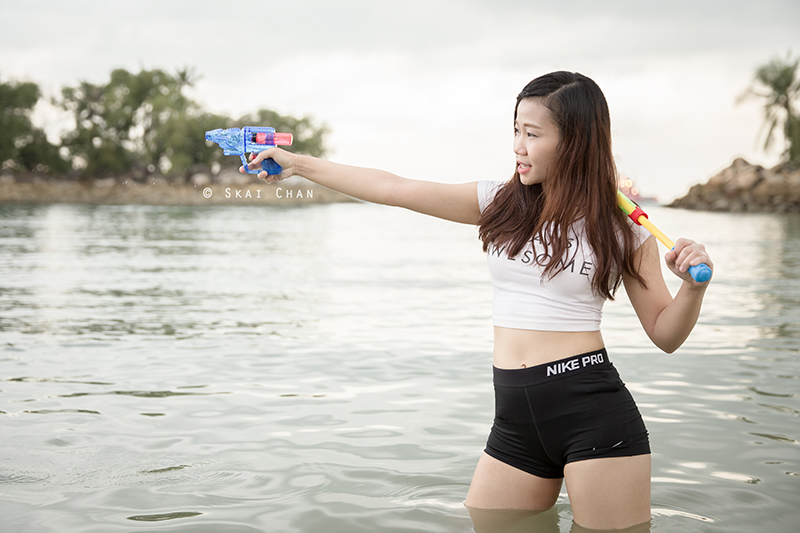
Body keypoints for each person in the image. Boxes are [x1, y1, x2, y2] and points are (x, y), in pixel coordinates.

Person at [240, 71, 713, 531]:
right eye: (515, 130)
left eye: (532, 134)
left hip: (593, 417)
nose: (517, 147)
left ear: (573, 142)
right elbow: (394, 188)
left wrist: (693, 288)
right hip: (515, 425)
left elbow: (665, 334)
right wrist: (298, 164)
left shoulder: (623, 225)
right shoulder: (500, 202)